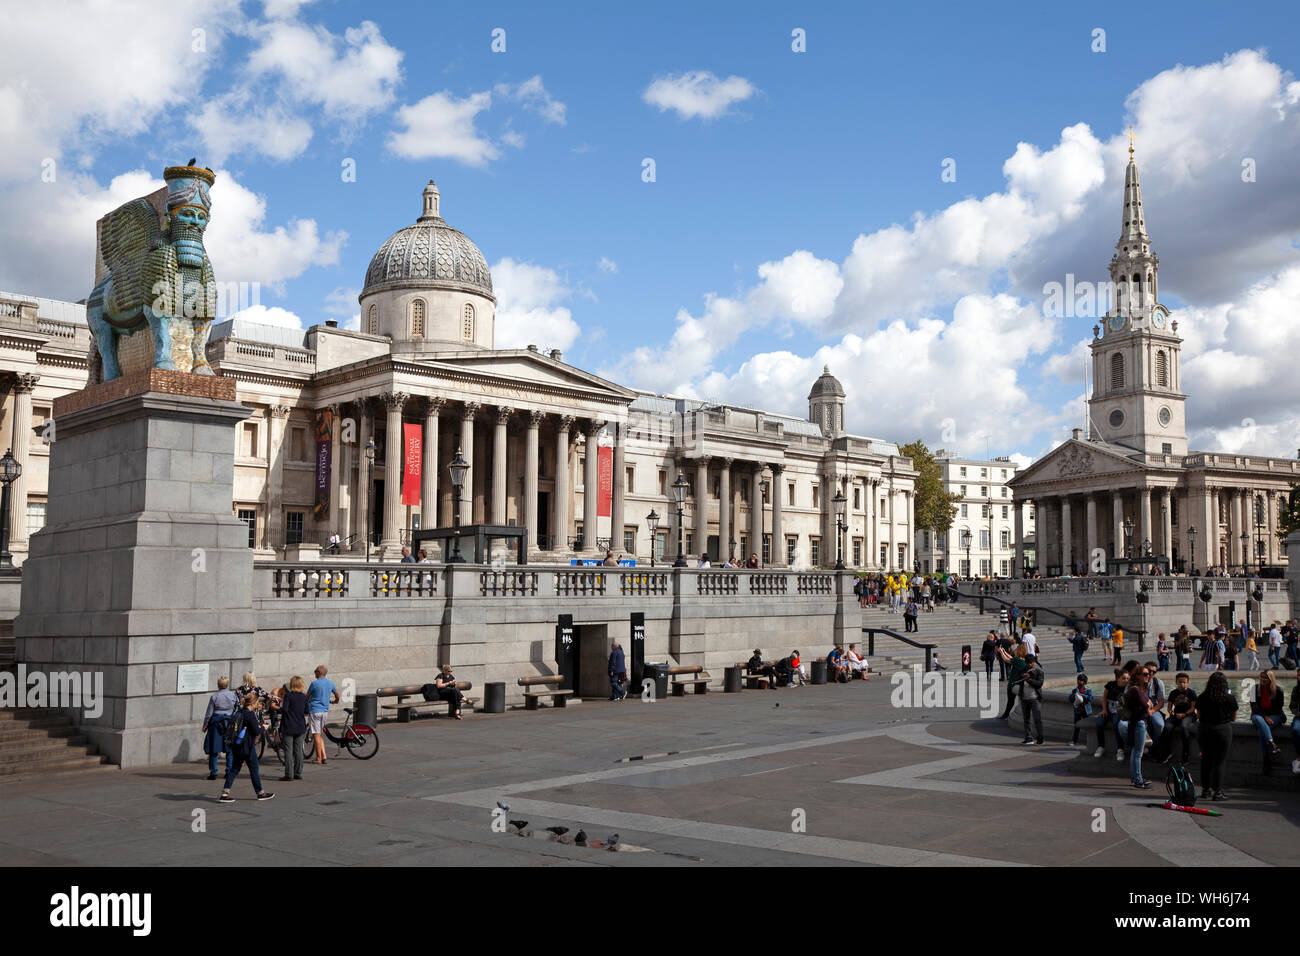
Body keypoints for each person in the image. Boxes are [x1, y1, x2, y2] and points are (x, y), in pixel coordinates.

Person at [219, 693, 274, 803]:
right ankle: (260, 793)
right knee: (254, 769)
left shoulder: (239, 712)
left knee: (234, 769)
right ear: (253, 703)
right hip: (247, 747)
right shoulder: (250, 714)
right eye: (257, 703)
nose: (258, 705)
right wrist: (264, 727)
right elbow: (257, 731)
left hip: (237, 746)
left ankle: (225, 793)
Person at [1195, 671, 1237, 801]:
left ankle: (1205, 790)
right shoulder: (1229, 698)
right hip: (1223, 730)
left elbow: (1199, 715)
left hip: (1205, 729)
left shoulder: (1202, 696)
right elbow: (1234, 717)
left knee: (1206, 760)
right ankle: (1218, 792)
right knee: (1219, 762)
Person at [1155, 672, 1198, 766]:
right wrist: (1171, 712)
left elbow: (1193, 708)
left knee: (1183, 727)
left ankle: (1186, 755)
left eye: (1184, 682)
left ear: (1188, 682)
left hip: (1189, 715)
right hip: (1176, 714)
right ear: (1176, 682)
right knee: (1166, 727)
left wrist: (1184, 714)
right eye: (1180, 682)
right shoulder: (1173, 693)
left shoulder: (1191, 693)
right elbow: (1169, 707)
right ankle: (1165, 753)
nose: (1182, 684)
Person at [1123, 665, 1155, 789]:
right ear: (1137, 676)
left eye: (1149, 674)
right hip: (1139, 723)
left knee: (1135, 752)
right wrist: (1148, 704)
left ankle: (1136, 778)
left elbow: (1149, 705)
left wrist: (1148, 704)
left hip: (1137, 723)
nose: (1148, 676)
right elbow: (1147, 706)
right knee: (1138, 753)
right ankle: (1138, 780)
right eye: (1145, 674)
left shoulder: (1139, 690)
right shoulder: (1135, 690)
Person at [201, 676, 238, 781]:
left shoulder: (214, 696)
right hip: (229, 722)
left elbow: (209, 713)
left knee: (214, 748)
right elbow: (236, 709)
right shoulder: (233, 696)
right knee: (229, 749)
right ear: (227, 684)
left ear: (218, 684)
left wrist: (205, 725)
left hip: (216, 723)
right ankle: (229, 771)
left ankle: (213, 772)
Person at [1249, 669, 1286, 774]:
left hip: (1276, 716)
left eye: (1265, 677)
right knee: (1256, 718)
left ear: (1271, 679)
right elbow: (1253, 706)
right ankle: (1271, 743)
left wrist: (1266, 715)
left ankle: (1266, 759)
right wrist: (1265, 716)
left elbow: (1278, 708)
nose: (1262, 679)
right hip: (1260, 716)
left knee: (1261, 730)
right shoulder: (1253, 689)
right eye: (1261, 677)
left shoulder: (1278, 690)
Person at [1093, 668, 1130, 760]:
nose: (1126, 680)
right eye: (1123, 678)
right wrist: (1104, 710)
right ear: (1118, 678)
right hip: (1108, 710)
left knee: (1116, 725)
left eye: (1127, 678)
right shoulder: (1110, 685)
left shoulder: (1129, 688)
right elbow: (1104, 698)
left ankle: (1120, 749)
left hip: (1119, 712)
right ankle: (1101, 746)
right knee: (1099, 723)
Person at [307, 665, 339, 764]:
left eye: (315, 671)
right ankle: (324, 756)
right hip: (324, 712)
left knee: (316, 735)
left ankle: (318, 758)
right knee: (319, 734)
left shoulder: (314, 684)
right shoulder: (330, 683)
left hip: (315, 711)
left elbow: (307, 697)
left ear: (319, 672)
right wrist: (335, 701)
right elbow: (337, 694)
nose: (314, 673)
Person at [279, 676, 309, 781]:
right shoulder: (304, 697)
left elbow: (285, 710)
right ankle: (298, 773)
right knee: (298, 751)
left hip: (289, 726)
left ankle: (289, 774)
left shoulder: (288, 696)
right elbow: (307, 710)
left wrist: (279, 707)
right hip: (300, 726)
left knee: (288, 751)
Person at [996, 643, 1028, 720]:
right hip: (1019, 682)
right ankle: (1007, 714)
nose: (1015, 650)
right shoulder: (1022, 660)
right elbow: (1011, 658)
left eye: (1017, 649)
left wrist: (1001, 652)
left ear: (1019, 651)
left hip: (1013, 682)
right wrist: (1004, 652)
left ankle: (1006, 715)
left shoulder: (1018, 660)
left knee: (1010, 700)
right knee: (1013, 700)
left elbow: (1007, 660)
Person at [1019, 654, 1045, 746]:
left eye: (1031, 663)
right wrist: (1022, 676)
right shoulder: (1023, 669)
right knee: (1026, 719)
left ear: (1034, 662)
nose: (1030, 665)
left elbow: (1039, 684)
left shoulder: (1039, 671)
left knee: (1037, 719)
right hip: (1024, 698)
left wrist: (1029, 679)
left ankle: (1040, 738)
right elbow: (1018, 678)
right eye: (1028, 663)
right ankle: (1028, 738)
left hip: (1035, 698)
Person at [1069, 674, 1093, 745]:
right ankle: (1074, 741)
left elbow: (1090, 698)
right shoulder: (1074, 690)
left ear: (1085, 682)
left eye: (1081, 680)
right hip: (1078, 710)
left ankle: (1090, 741)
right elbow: (1070, 700)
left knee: (1089, 726)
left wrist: (1082, 696)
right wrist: (1073, 696)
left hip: (1087, 711)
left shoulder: (1088, 690)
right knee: (1077, 726)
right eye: (1078, 680)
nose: (1079, 681)